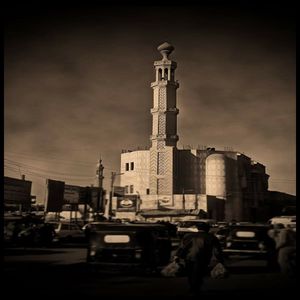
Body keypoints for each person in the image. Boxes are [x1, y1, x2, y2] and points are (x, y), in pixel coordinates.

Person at [173, 222, 224, 296]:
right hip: (203, 258)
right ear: (207, 229)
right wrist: (219, 259)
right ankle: (196, 288)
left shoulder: (188, 236)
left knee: (190, 272)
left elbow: (182, 247)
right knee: (199, 273)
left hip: (189, 257)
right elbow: (216, 250)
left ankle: (193, 287)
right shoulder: (211, 237)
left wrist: (177, 256)